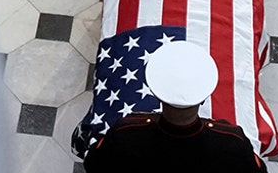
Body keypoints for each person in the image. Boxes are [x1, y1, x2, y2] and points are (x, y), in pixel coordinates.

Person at [81, 41, 265, 171]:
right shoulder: (231, 141)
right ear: (203, 98)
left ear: (157, 95)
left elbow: (93, 164)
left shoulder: (126, 132)